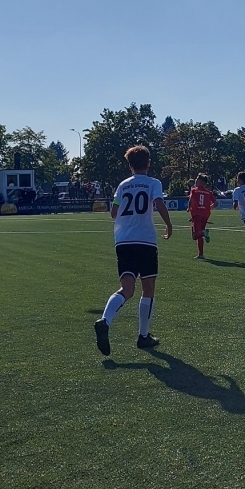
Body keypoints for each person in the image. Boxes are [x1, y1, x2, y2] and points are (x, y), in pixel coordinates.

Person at [94, 145, 172, 356]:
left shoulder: (123, 185)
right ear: (148, 163)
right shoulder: (153, 183)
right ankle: (143, 336)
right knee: (148, 287)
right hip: (145, 240)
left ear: (130, 166)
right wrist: (168, 224)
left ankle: (105, 320)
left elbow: (113, 212)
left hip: (123, 241)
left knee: (127, 289)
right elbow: (159, 203)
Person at [188, 173, 216, 259]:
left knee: (195, 235)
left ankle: (204, 233)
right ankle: (201, 254)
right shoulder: (208, 192)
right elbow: (216, 203)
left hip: (197, 214)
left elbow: (191, 200)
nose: (195, 181)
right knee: (199, 234)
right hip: (206, 214)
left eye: (196, 179)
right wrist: (210, 207)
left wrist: (189, 208)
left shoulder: (194, 190)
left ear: (200, 181)